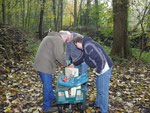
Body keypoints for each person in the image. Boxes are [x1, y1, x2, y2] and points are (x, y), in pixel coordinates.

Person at [70, 36, 113, 113]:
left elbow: (101, 59)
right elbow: (82, 57)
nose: (77, 47)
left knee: (103, 91)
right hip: (101, 68)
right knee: (99, 86)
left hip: (104, 69)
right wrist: (74, 63)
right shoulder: (86, 46)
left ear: (78, 42)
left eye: (76, 45)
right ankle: (98, 103)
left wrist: (98, 71)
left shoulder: (88, 46)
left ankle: (103, 110)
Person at [33, 31, 69, 112]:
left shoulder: (51, 37)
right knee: (47, 85)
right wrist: (65, 64)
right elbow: (59, 55)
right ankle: (46, 107)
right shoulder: (58, 39)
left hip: (41, 63)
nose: (65, 41)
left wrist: (59, 63)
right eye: (66, 40)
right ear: (63, 36)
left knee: (48, 84)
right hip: (44, 65)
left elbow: (52, 53)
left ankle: (52, 100)